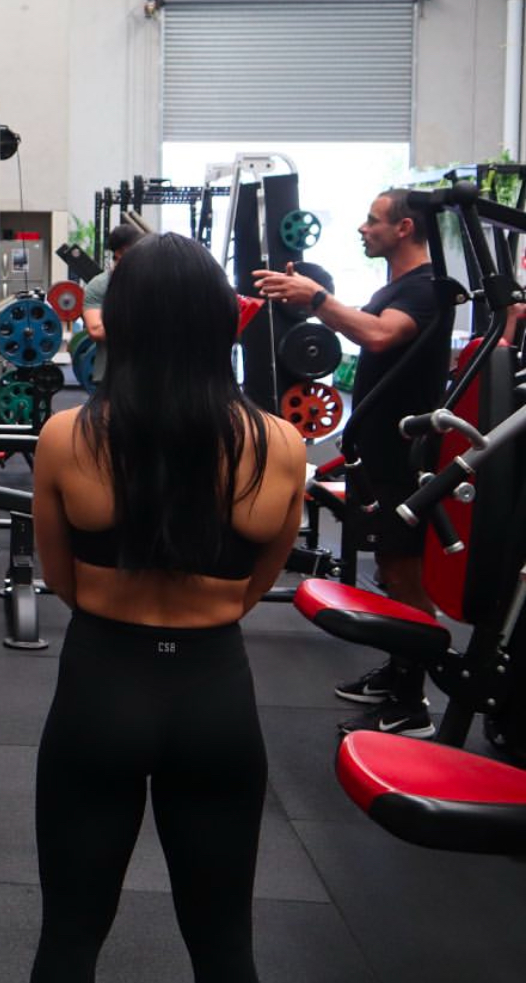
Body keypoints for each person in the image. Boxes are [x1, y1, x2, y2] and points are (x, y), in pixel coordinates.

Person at [30, 232, 304, 982]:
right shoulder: (282, 445)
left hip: (101, 687)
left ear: (121, 323)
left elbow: (60, 579)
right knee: (225, 948)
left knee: (68, 939)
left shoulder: (65, 437)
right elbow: (254, 588)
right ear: (221, 322)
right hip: (214, 696)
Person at [254, 188, 453, 738]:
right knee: (389, 567)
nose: (363, 229)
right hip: (380, 453)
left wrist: (317, 296)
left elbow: (379, 334)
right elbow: (360, 327)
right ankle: (398, 671)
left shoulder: (426, 288)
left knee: (405, 573)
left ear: (405, 228)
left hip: (406, 459)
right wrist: (304, 297)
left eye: (373, 220)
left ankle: (412, 703)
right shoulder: (398, 287)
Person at [79, 223, 144, 396]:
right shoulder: (99, 286)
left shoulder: (153, 282)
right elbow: (96, 330)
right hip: (111, 376)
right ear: (119, 253)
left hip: (149, 375)